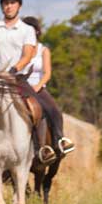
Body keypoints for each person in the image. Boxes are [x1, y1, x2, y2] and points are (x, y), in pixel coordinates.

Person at [0, 0, 55, 163]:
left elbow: (27, 55)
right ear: (1, 6)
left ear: (19, 6)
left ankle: (40, 147)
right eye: (6, 3)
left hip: (17, 78)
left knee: (37, 107)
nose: (9, 6)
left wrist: (13, 69)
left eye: (12, 3)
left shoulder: (26, 30)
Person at [21, 16, 75, 159]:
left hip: (38, 88)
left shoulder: (43, 50)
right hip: (21, 87)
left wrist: (37, 86)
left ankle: (59, 140)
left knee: (54, 110)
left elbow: (47, 73)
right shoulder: (19, 50)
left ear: (37, 32)